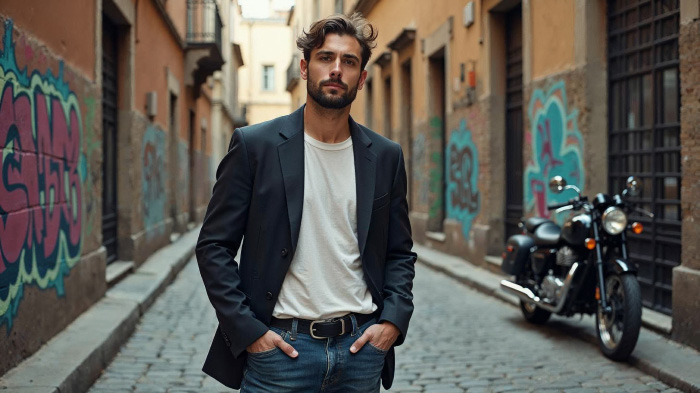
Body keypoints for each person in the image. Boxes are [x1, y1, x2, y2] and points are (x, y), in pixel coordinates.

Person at [195, 12, 416, 393]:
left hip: (360, 352)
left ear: (361, 78)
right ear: (304, 67)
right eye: (325, 58)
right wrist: (250, 333)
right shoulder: (256, 147)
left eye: (349, 62)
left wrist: (392, 322)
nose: (336, 70)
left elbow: (399, 251)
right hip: (280, 355)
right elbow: (214, 246)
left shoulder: (384, 156)